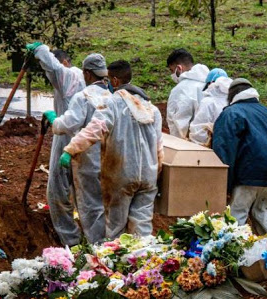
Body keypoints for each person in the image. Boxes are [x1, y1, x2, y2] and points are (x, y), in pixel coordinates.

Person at [59, 60, 164, 239]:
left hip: (121, 174)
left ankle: (115, 263)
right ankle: (144, 262)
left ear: (115, 81)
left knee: (116, 227)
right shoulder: (151, 108)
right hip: (148, 175)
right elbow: (159, 148)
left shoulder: (113, 104)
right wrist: (157, 172)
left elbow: (95, 129)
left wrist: (70, 150)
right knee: (142, 227)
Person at [43, 53, 112, 244]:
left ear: (87, 74)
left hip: (86, 158)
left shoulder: (83, 97)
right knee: (102, 204)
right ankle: (108, 246)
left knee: (89, 205)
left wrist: (54, 121)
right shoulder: (113, 97)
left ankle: (93, 247)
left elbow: (69, 123)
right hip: (108, 159)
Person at [212, 78, 267, 244]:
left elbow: (224, 151)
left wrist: (225, 185)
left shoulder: (231, 113)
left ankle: (234, 256)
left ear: (231, 95)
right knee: (262, 212)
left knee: (237, 215)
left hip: (248, 173)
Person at [26, 42, 85, 246]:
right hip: (89, 138)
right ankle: (91, 238)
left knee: (58, 189)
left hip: (68, 134)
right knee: (85, 189)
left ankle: (71, 239)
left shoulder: (69, 75)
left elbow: (53, 67)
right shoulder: (88, 81)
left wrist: (40, 49)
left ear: (66, 62)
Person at [166, 48, 209, 139]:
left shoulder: (180, 90)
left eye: (172, 70)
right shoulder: (211, 84)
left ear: (179, 68)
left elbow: (178, 122)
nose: (172, 75)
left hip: (192, 143)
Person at [188, 68, 232, 147]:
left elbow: (198, 130)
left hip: (212, 147)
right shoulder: (232, 101)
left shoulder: (207, 102)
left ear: (210, 83)